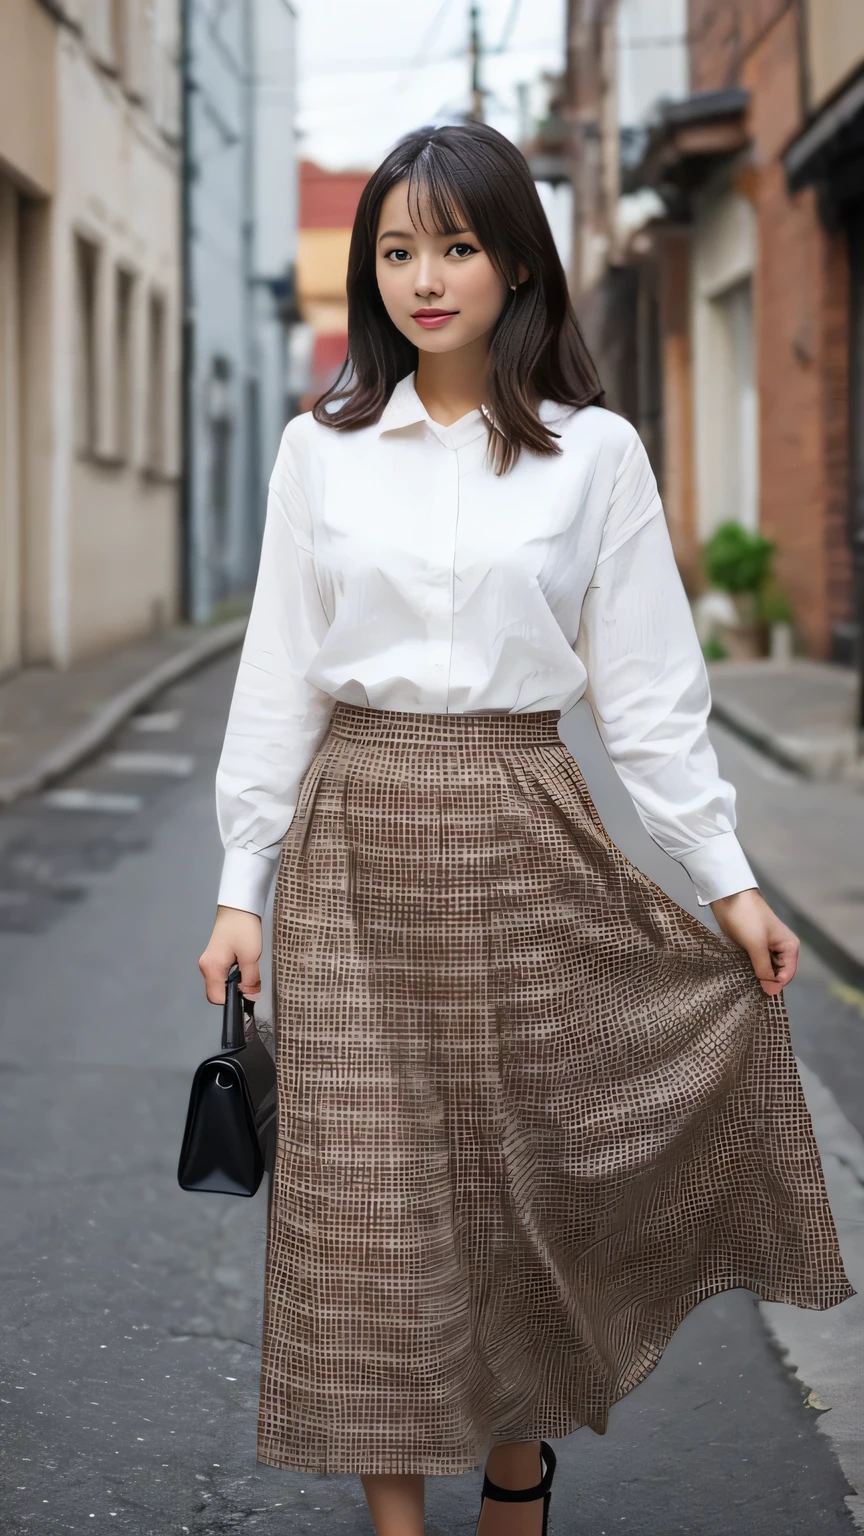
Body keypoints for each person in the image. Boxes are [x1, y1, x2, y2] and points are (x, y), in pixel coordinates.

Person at [198, 123, 853, 1536]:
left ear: (513, 262)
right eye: (394, 250)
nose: (423, 277)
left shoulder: (593, 457)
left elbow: (651, 696)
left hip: (526, 836)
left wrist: (727, 882)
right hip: (356, 849)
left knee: (520, 1184)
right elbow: (279, 674)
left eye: (455, 245)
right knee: (365, 1204)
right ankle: (397, 1521)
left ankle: (514, 1464)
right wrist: (241, 883)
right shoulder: (323, 452)